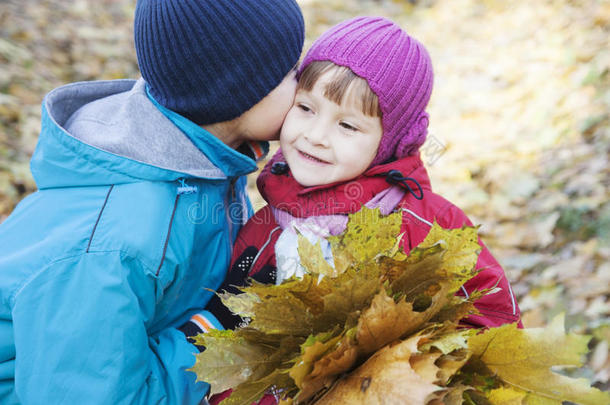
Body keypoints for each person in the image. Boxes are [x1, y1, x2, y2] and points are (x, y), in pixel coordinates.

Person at [0, 0, 304, 403]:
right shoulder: (116, 243)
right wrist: (214, 330)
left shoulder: (198, 159)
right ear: (238, 88)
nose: (304, 84)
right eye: (290, 71)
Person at [203, 17, 522, 346]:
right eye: (306, 107)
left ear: (390, 143)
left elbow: (493, 317)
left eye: (347, 126)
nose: (315, 136)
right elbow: (233, 357)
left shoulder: (427, 226)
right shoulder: (267, 226)